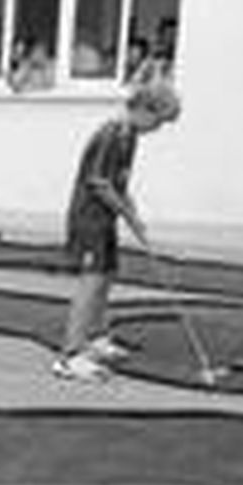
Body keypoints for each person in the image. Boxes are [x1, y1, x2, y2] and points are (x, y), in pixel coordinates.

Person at [52, 81, 183, 382]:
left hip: (105, 218)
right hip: (88, 218)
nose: (158, 129)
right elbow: (99, 183)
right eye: (159, 121)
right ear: (144, 109)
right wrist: (126, 214)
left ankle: (96, 337)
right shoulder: (111, 133)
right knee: (92, 281)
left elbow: (119, 184)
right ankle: (70, 356)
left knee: (108, 274)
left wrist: (135, 217)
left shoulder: (130, 136)